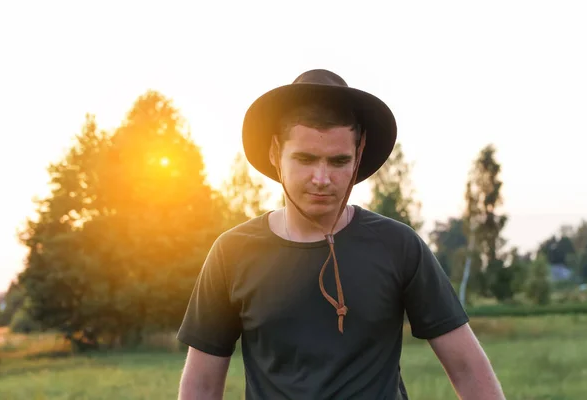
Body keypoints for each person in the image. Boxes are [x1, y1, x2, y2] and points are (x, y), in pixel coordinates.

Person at [176, 69, 505, 400]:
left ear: (358, 155)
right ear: (276, 153)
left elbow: (468, 368)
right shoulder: (232, 253)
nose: (321, 178)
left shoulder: (398, 247)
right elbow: (201, 385)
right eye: (305, 159)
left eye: (338, 161)